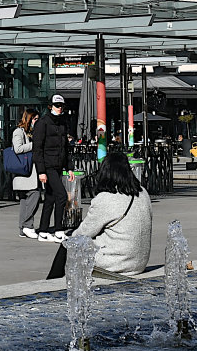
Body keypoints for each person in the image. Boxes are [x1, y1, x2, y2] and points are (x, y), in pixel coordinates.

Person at [47, 151, 152, 279]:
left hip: (117, 262)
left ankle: (50, 285)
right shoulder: (143, 193)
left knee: (67, 245)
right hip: (139, 261)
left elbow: (83, 233)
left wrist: (70, 236)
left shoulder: (106, 198)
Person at [32, 95, 73, 243]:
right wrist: (41, 171)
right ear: (50, 106)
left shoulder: (62, 122)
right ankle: (58, 230)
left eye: (61, 105)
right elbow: (37, 149)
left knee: (50, 198)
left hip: (58, 165)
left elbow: (66, 147)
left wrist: (69, 167)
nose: (59, 108)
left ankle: (43, 231)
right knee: (61, 195)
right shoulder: (42, 123)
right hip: (48, 165)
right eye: (56, 105)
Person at [12, 109, 43, 239]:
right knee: (34, 196)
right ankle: (27, 226)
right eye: (34, 119)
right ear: (28, 119)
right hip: (25, 172)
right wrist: (34, 145)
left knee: (25, 201)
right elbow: (18, 148)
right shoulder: (19, 132)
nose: (36, 122)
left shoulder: (32, 132)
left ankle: (23, 228)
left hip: (29, 173)